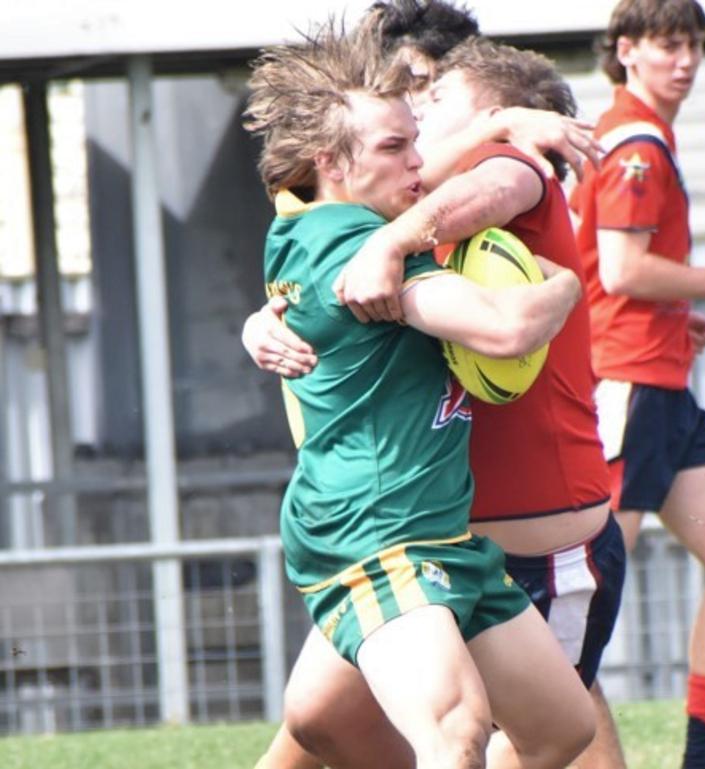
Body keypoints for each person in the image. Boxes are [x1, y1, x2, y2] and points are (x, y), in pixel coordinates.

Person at [249, 32, 630, 769]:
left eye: (417, 140)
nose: (418, 161)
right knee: (456, 734)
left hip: (441, 537)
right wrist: (565, 281)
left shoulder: (322, 222)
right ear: (331, 162)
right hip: (374, 537)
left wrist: (496, 127)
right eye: (396, 146)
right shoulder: (356, 253)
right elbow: (505, 324)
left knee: (562, 727)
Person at [568, 2, 705, 768]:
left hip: (660, 380)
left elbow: (607, 275)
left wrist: (677, 317)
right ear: (626, 51)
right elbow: (622, 268)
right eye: (667, 44)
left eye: (694, 44)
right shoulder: (633, 144)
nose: (685, 59)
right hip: (626, 387)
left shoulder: (646, 136)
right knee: (581, 609)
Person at [245, 0, 600, 376]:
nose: (415, 106)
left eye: (429, 89)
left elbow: (492, 191)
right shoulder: (386, 207)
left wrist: (388, 244)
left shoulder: (506, 160)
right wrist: (270, 321)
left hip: (538, 436)